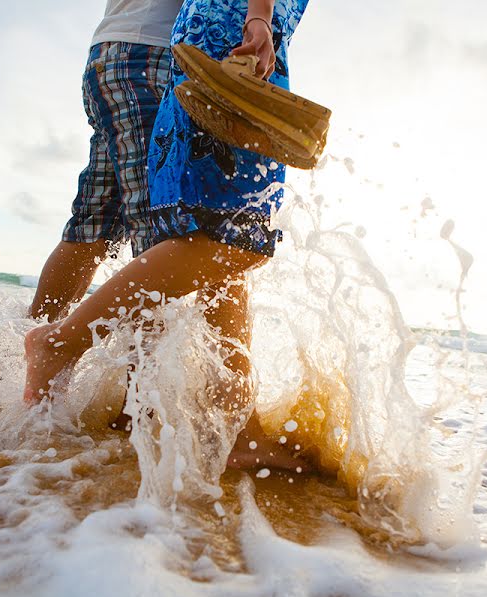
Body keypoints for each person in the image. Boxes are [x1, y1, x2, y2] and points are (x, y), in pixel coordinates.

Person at [24, 0, 311, 471]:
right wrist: (259, 16)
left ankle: (26, 367)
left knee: (95, 227)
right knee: (200, 238)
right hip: (172, 53)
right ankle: (131, 398)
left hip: (114, 53)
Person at [29, 0, 182, 322]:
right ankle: (143, 369)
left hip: (113, 57)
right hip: (150, 56)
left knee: (93, 226)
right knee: (156, 227)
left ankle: (25, 353)